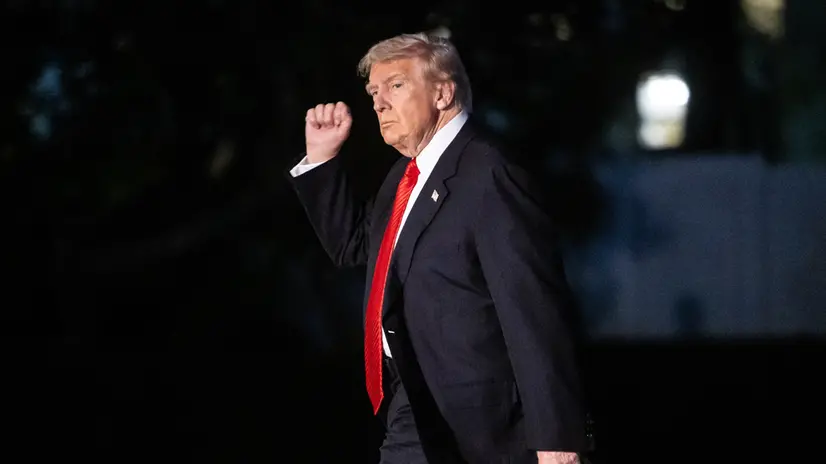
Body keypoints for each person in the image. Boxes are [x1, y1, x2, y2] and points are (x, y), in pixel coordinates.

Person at [288, 32, 592, 464]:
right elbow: (357, 246)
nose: (378, 103)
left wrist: (558, 440)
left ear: (444, 92)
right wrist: (321, 158)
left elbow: (534, 311)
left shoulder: (488, 172)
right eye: (373, 91)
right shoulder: (404, 176)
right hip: (413, 405)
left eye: (395, 85)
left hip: (484, 421)